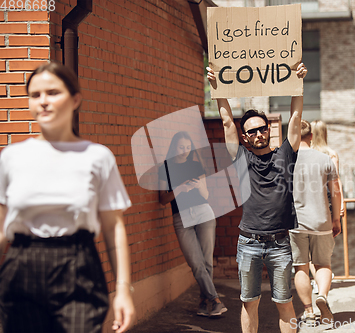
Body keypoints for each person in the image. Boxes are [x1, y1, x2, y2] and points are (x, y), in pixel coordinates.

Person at [0, 62, 135, 333]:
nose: (44, 102)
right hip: (22, 266)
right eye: (35, 95)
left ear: (75, 100)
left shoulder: (97, 157)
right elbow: (2, 228)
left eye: (52, 93)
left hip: (79, 266)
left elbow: (113, 226)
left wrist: (123, 290)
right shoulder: (11, 158)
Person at [207, 63, 308, 333]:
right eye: (251, 131)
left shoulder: (285, 154)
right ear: (245, 137)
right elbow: (227, 121)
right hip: (249, 242)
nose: (258, 134)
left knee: (285, 302)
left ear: (269, 130)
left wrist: (298, 84)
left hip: (279, 243)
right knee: (249, 303)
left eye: (261, 128)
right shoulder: (241, 157)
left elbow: (296, 119)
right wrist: (216, 87)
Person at [158, 131, 227, 317]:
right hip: (181, 218)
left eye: (188, 147)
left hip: (204, 213)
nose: (185, 151)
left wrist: (198, 186)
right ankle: (215, 300)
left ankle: (205, 303)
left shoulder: (196, 165)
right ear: (174, 147)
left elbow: (206, 196)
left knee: (206, 262)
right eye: (181, 147)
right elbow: (163, 199)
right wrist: (180, 188)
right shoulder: (165, 167)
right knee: (196, 263)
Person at [290, 120, 341, 327]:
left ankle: (309, 312)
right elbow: (335, 191)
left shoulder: (286, 160)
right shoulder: (325, 159)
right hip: (322, 221)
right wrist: (335, 218)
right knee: (323, 264)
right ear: (311, 137)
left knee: (301, 268)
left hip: (295, 223)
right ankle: (322, 296)